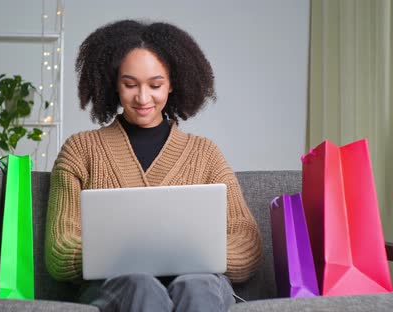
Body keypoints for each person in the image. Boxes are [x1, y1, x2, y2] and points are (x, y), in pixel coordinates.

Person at [45, 19, 262, 312]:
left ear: (173, 83)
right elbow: (60, 248)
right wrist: (120, 259)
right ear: (113, 84)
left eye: (155, 85)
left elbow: (246, 239)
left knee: (197, 285)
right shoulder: (81, 150)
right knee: (140, 285)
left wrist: (197, 257)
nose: (143, 98)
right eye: (130, 84)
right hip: (115, 286)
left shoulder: (205, 153)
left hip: (199, 284)